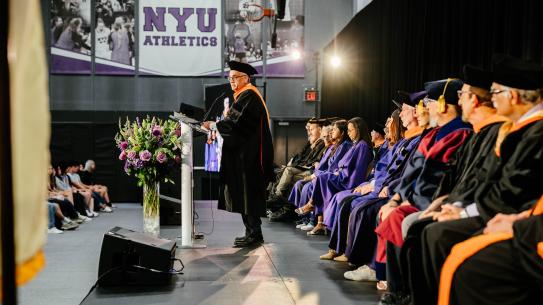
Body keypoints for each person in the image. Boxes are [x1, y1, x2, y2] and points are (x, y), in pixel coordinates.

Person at [419, 55, 543, 305]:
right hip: (513, 215)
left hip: (519, 219)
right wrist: (453, 205)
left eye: (496, 91)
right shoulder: (517, 130)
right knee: (427, 231)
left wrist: (464, 212)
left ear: (514, 96)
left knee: (451, 248)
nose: (492, 97)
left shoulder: (534, 132)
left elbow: (509, 190)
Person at [399, 65, 507, 305]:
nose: (459, 101)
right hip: (461, 204)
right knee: (418, 227)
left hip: (486, 213)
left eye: (462, 95)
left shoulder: (491, 133)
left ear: (474, 100)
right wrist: (444, 202)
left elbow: (488, 184)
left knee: (425, 230)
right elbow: (456, 177)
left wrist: (459, 208)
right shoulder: (478, 134)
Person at [202, 61, 274, 247]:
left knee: (248, 195)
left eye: (235, 78)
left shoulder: (249, 95)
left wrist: (213, 125)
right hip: (245, 155)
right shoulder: (244, 96)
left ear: (246, 78)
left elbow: (234, 123)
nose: (232, 81)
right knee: (245, 194)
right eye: (230, 78)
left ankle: (254, 234)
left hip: (249, 157)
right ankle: (252, 232)